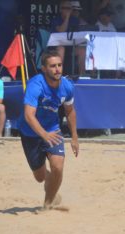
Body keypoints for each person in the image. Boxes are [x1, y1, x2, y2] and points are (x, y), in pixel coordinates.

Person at [18, 50, 79, 210]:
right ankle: (50, 183)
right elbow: (29, 115)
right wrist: (43, 134)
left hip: (53, 130)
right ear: (44, 69)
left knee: (58, 166)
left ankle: (48, 202)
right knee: (39, 177)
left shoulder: (67, 86)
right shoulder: (35, 85)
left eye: (59, 65)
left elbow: (70, 111)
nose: (57, 69)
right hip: (30, 133)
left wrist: (74, 137)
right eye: (53, 66)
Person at [50, 0, 86, 75]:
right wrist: (67, 18)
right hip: (56, 47)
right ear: (60, 9)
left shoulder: (75, 20)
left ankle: (82, 75)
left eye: (69, 8)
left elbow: (79, 34)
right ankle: (59, 74)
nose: (68, 10)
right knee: (61, 48)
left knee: (82, 49)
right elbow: (61, 30)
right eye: (65, 8)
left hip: (71, 47)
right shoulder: (56, 19)